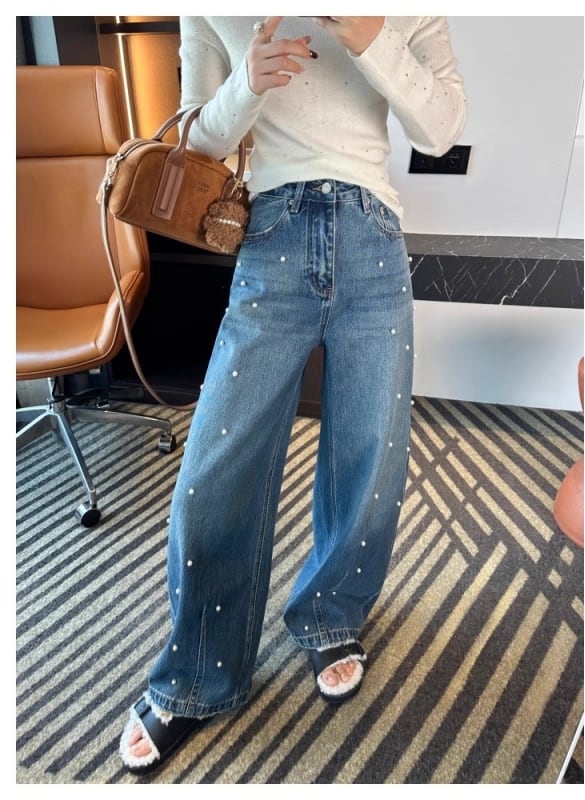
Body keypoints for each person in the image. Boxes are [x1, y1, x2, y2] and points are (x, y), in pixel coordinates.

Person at [120, 15, 466, 774]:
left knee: (370, 458)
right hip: (271, 234)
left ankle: (329, 613)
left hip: (375, 238)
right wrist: (247, 81)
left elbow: (442, 129)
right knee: (215, 470)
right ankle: (200, 667)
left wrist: (373, 37)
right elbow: (195, 139)